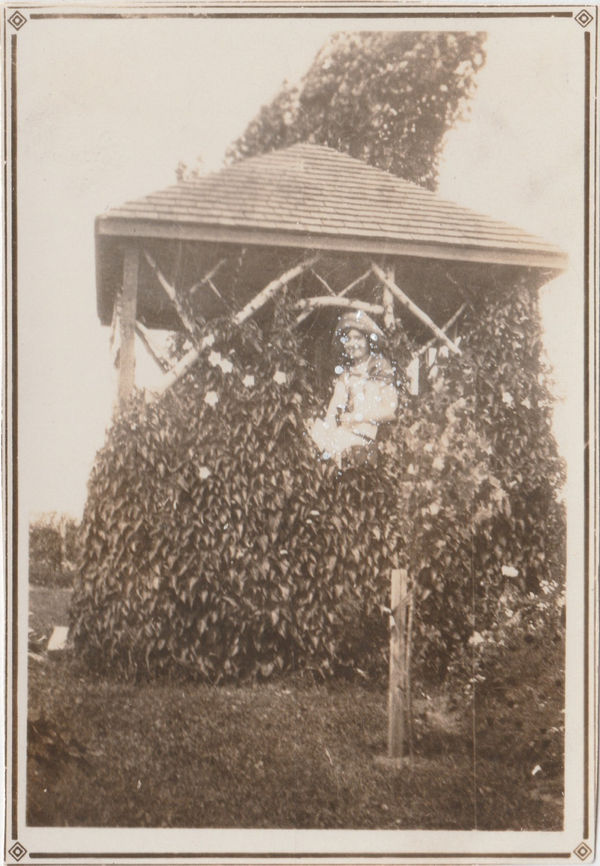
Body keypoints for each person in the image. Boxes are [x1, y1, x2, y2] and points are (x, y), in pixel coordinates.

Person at [308, 310, 398, 464]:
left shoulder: (380, 368)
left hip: (365, 440)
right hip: (345, 436)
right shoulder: (346, 374)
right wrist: (326, 428)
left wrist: (357, 417)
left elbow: (390, 411)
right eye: (348, 339)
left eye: (358, 338)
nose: (352, 344)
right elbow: (334, 407)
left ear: (368, 341)